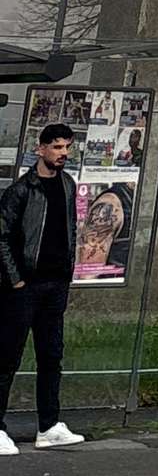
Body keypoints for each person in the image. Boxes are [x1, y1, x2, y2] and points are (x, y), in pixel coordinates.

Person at [0, 122, 88, 451]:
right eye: (57, 147)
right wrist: (16, 280)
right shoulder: (22, 190)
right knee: (7, 358)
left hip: (55, 285)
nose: (63, 153)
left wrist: (67, 274)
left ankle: (49, 426)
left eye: (67, 147)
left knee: (51, 357)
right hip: (23, 288)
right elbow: (2, 237)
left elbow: (70, 230)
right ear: (41, 149)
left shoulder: (67, 184)